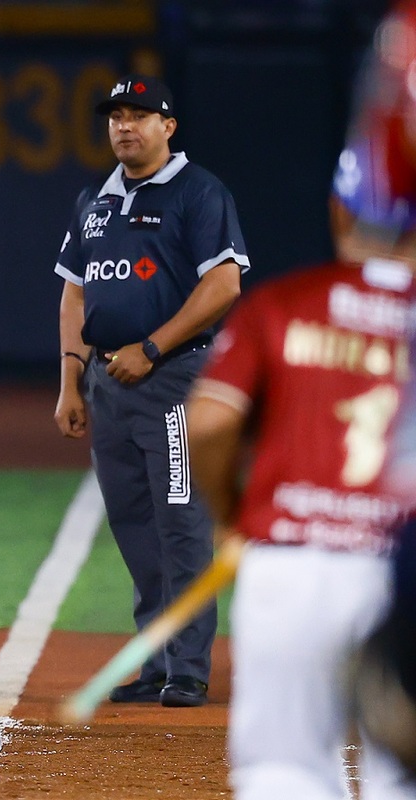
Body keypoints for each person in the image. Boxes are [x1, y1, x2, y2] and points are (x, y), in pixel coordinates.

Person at [185, 250, 416, 798]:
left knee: (283, 771)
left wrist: (231, 517)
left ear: (340, 214)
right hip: (403, 567)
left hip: (292, 557)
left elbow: (209, 424)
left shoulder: (285, 300)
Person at [52, 74, 250, 708]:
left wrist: (154, 348)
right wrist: (69, 383)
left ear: (169, 126)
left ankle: (188, 667)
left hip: (173, 381)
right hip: (107, 382)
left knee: (181, 519)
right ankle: (157, 659)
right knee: (134, 521)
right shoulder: (94, 200)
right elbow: (75, 293)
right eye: (116, 116)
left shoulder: (198, 191)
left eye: (140, 115)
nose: (124, 126)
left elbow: (223, 285)